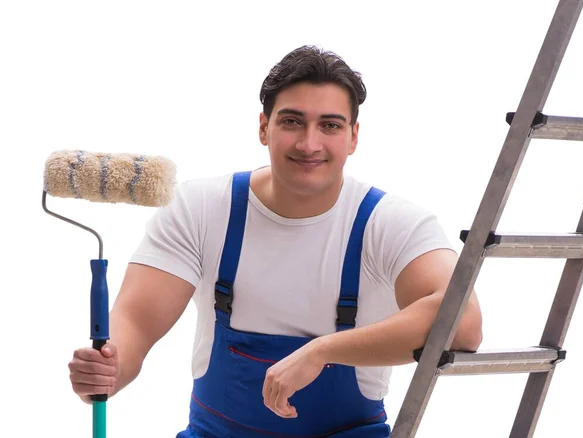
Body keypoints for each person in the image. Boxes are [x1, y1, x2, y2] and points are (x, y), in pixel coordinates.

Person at [68, 45, 483, 437]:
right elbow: (136, 323)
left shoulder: (388, 223)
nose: (309, 143)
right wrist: (107, 372)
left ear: (353, 136)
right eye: (291, 121)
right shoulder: (202, 209)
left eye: (330, 125)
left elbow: (462, 321)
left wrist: (323, 350)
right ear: (264, 127)